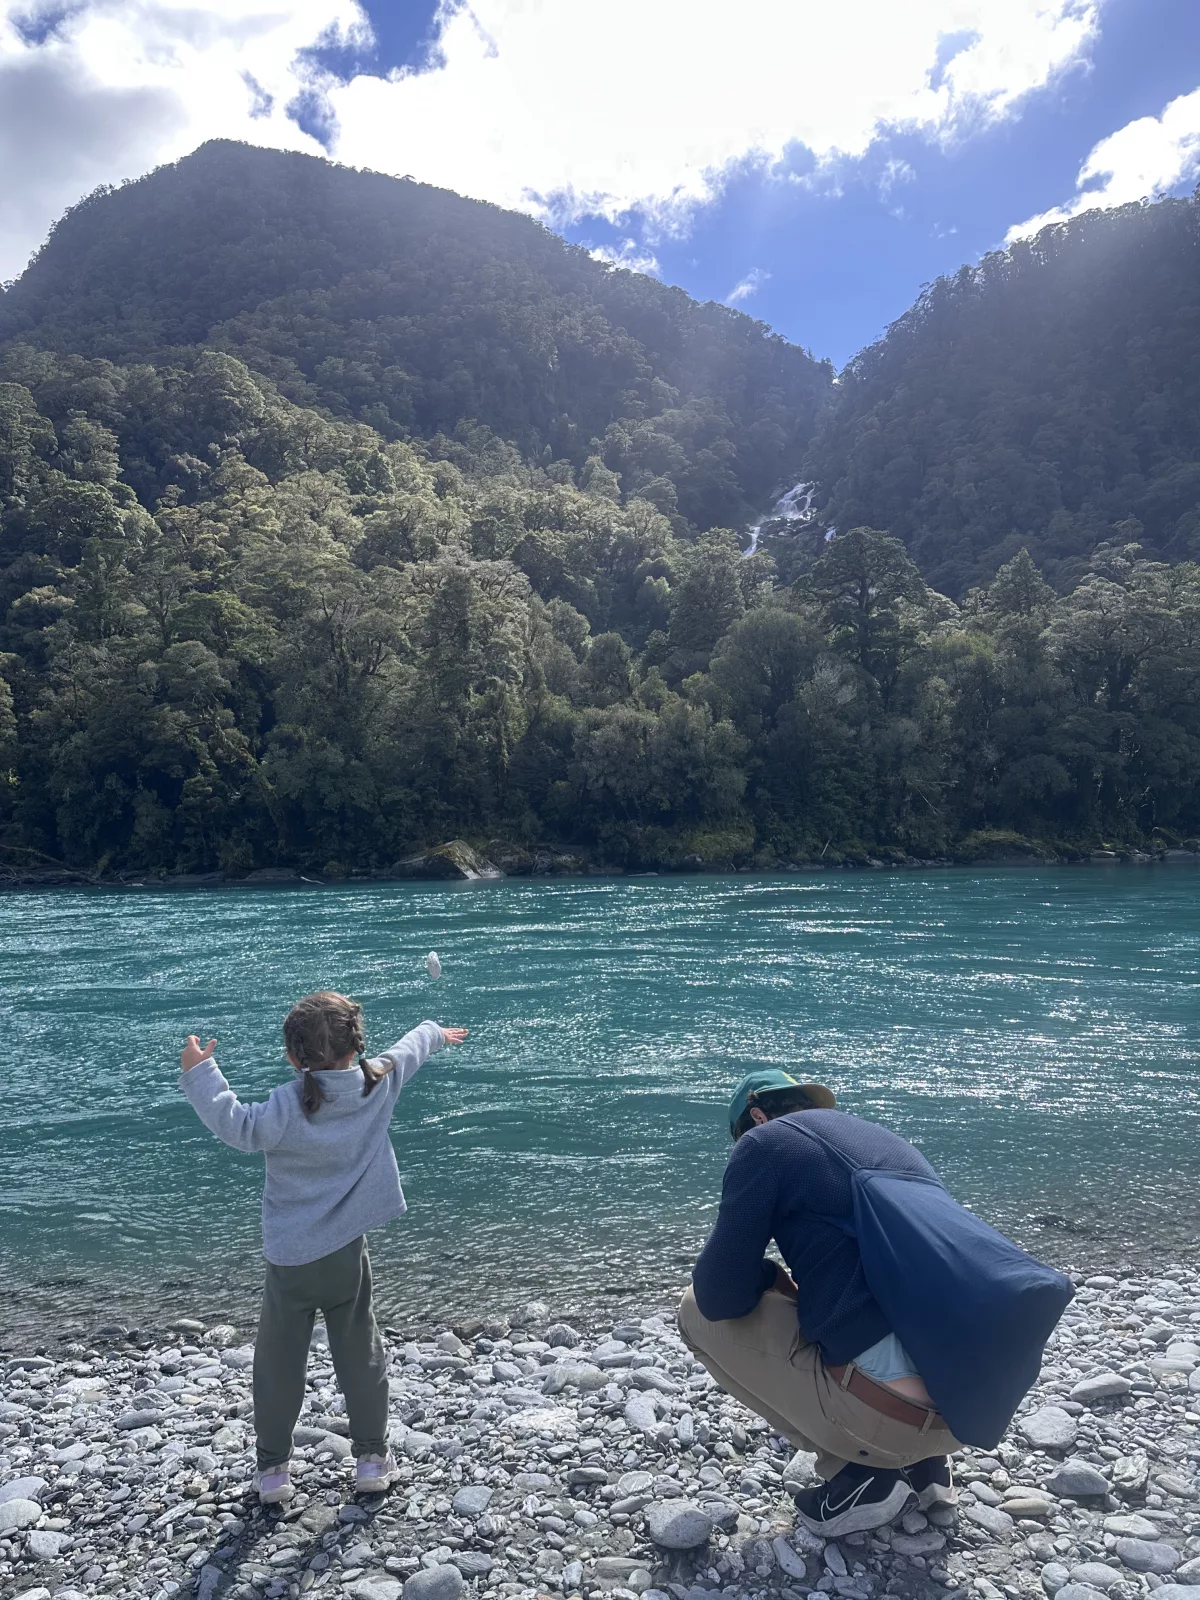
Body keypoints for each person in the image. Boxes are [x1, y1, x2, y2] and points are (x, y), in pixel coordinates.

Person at [178, 990, 467, 1506]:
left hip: (290, 1260)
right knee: (360, 1349)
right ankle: (372, 1459)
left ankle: (272, 1471)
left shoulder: (287, 1105)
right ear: (357, 1046)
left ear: (294, 1057)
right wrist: (437, 1032)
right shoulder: (377, 1082)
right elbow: (412, 1046)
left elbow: (237, 1126)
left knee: (278, 1361)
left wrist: (203, 1073)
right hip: (345, 1253)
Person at [678, 1069, 962, 1538]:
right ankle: (928, 1466)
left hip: (890, 1418)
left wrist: (773, 1277)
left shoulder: (764, 1143)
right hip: (968, 1407)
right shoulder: (887, 1143)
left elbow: (718, 1294)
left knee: (692, 1313)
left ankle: (865, 1475)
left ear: (757, 1116)